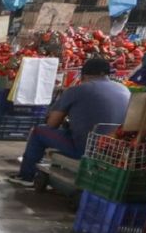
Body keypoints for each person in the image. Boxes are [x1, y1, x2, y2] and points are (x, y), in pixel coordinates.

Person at [9, 57, 131, 186]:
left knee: (39, 132)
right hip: (116, 151)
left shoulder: (77, 90)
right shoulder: (124, 89)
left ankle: (26, 177)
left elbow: (52, 124)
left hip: (85, 150)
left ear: (84, 74)